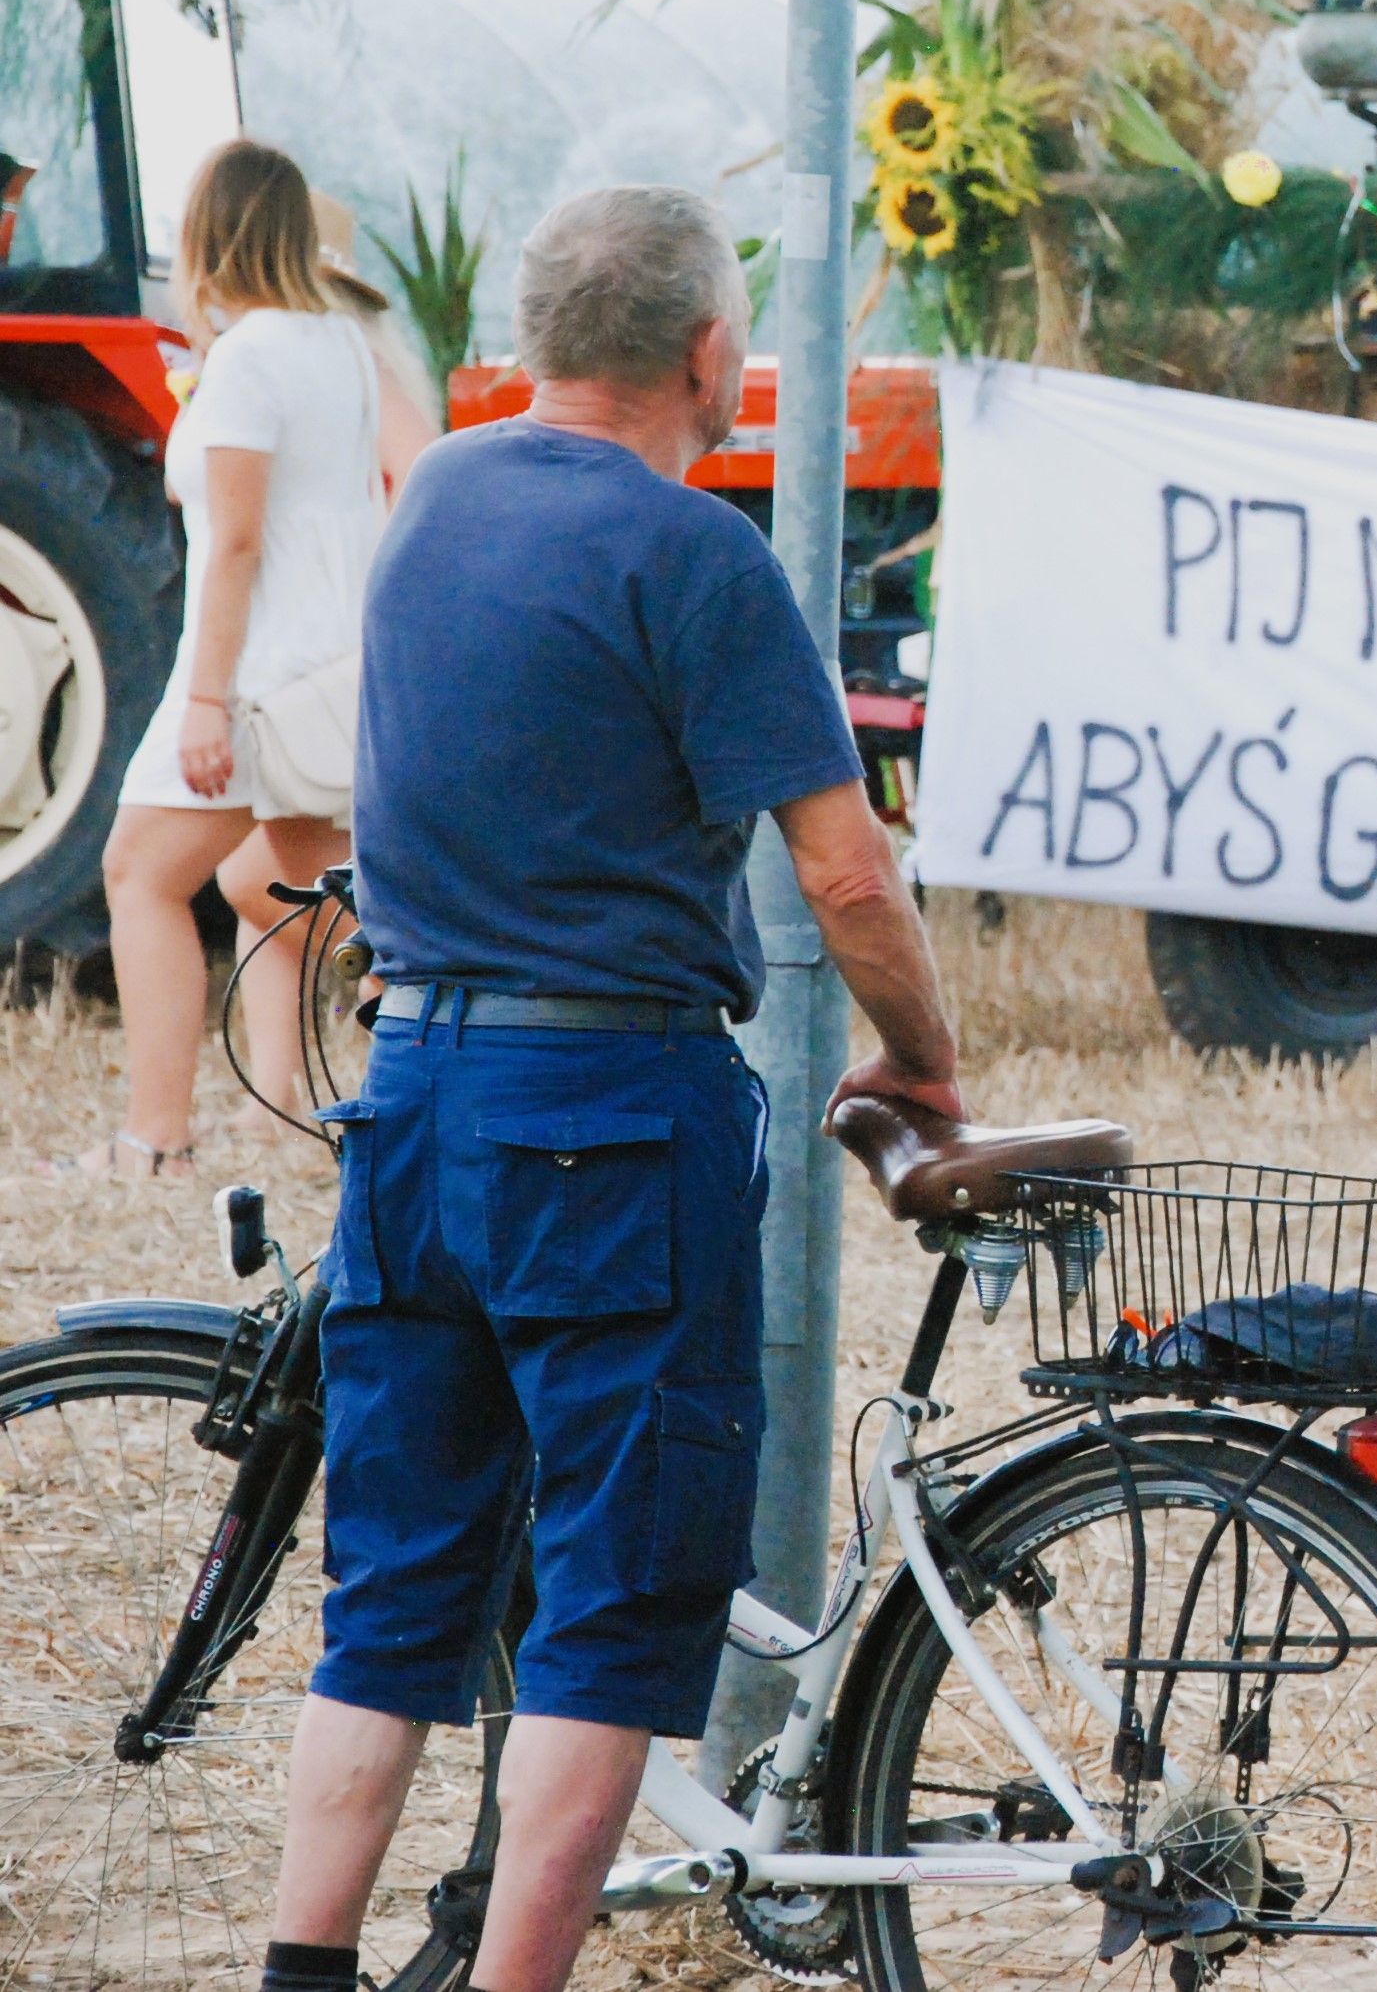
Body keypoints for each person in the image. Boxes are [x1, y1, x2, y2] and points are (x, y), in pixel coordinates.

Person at [252, 184, 964, 1992]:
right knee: (615, 1608)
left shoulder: (437, 510)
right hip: (609, 1116)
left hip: (409, 1098)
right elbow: (850, 874)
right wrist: (926, 1056)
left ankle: (297, 1968)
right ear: (708, 355)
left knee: (394, 1585)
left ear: (537, 338)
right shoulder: (696, 554)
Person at [53, 142, 432, 1179]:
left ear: (208, 236)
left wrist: (209, 700)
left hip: (259, 667)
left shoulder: (252, 357)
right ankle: (346, 1111)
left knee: (139, 872)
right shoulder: (340, 347)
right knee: (303, 895)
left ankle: (154, 1136)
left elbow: (235, 541)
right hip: (337, 657)